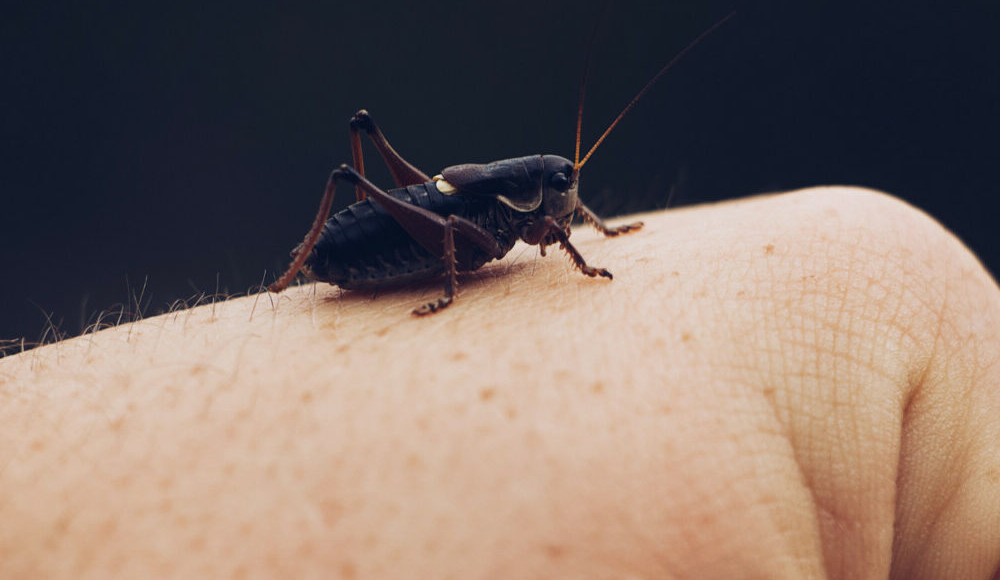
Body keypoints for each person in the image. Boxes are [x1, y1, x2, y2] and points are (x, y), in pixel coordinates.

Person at [2, 187, 998, 578]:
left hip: (418, 238)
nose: (561, 213)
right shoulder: (496, 220)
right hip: (382, 247)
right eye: (559, 203)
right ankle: (300, 272)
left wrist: (602, 240)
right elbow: (472, 229)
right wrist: (448, 285)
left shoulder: (541, 210)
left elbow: (560, 223)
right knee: (376, 173)